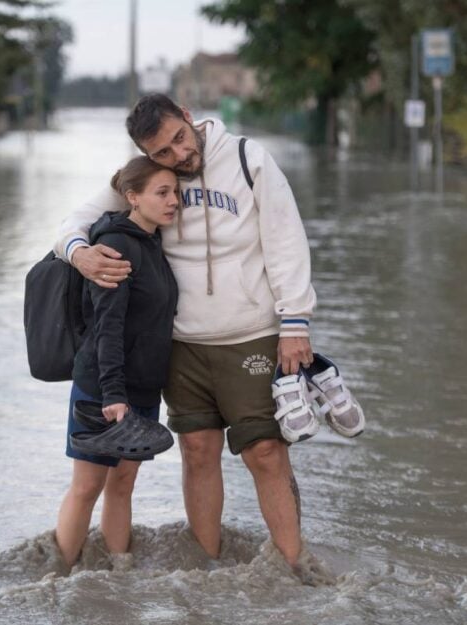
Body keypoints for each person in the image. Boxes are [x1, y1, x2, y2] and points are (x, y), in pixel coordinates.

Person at [55, 94, 318, 571]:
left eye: (180, 138)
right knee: (197, 452)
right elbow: (74, 222)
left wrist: (295, 320)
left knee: (265, 451)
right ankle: (207, 572)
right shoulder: (152, 178)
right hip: (181, 344)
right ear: (146, 157)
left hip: (252, 333)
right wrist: (79, 253)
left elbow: (286, 238)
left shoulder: (247, 158)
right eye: (162, 153)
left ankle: (295, 569)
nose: (178, 156)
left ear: (188, 117)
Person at [55, 156, 179, 567]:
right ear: (132, 197)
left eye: (175, 192)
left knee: (122, 485)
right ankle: (57, 579)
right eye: (162, 193)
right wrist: (113, 394)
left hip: (142, 388)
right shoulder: (117, 247)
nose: (173, 200)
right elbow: (107, 327)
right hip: (104, 388)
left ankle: (119, 577)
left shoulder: (153, 243)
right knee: (87, 487)